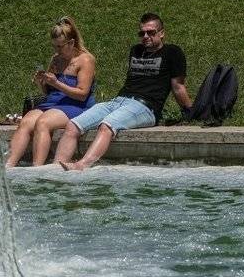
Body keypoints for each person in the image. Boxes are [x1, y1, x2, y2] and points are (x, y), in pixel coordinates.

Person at [56, 13, 193, 170]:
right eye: (142, 33)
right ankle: (56, 167)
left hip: (145, 107)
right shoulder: (136, 50)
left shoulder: (173, 52)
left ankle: (82, 165)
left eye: (151, 32)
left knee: (107, 125)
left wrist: (189, 111)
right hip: (119, 101)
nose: (146, 36)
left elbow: (178, 86)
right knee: (73, 125)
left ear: (162, 33)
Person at [6, 16, 96, 167]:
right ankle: (8, 166)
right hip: (54, 102)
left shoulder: (85, 60)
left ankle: (37, 168)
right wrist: (42, 82)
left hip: (76, 105)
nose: (56, 50)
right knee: (27, 121)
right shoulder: (56, 59)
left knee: (43, 122)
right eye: (54, 46)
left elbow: (82, 95)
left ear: (71, 43)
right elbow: (49, 92)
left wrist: (57, 83)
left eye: (60, 46)